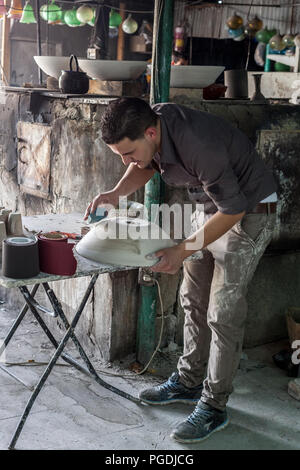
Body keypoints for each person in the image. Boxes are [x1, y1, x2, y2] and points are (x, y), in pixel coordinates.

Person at [84, 97, 277, 443]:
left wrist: (182, 249)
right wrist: (114, 193)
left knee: (223, 310)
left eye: (128, 153)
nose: (127, 161)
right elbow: (146, 163)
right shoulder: (153, 125)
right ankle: (189, 381)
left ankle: (214, 406)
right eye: (120, 156)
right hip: (211, 205)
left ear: (150, 132)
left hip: (249, 212)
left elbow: (233, 211)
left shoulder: (198, 144)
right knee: (193, 299)